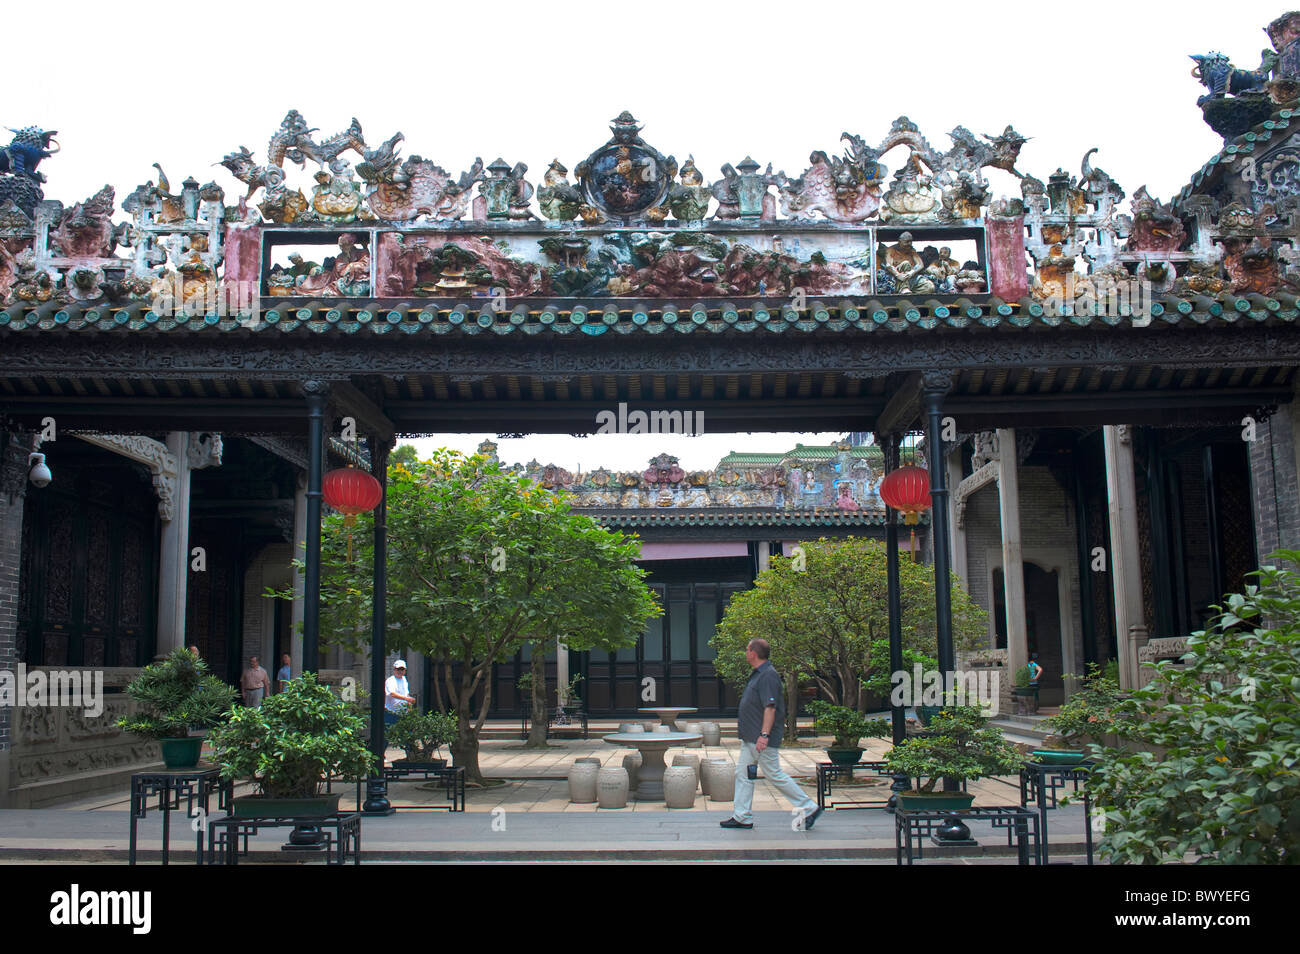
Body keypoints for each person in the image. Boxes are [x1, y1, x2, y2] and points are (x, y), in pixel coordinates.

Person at [721, 638, 823, 831]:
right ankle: (742, 816)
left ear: (753, 652)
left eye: (746, 649)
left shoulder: (768, 675)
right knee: (742, 774)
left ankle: (808, 807)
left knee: (773, 773)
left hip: (759, 737)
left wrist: (764, 735)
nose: (745, 652)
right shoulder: (759, 674)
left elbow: (770, 707)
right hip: (751, 736)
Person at [384, 659, 416, 727]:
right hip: (391, 713)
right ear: (394, 670)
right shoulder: (390, 680)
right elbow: (392, 694)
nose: (400, 671)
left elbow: (406, 693)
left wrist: (409, 705)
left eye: (402, 669)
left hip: (403, 713)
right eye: (398, 669)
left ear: (405, 670)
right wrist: (406, 699)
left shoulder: (404, 680)